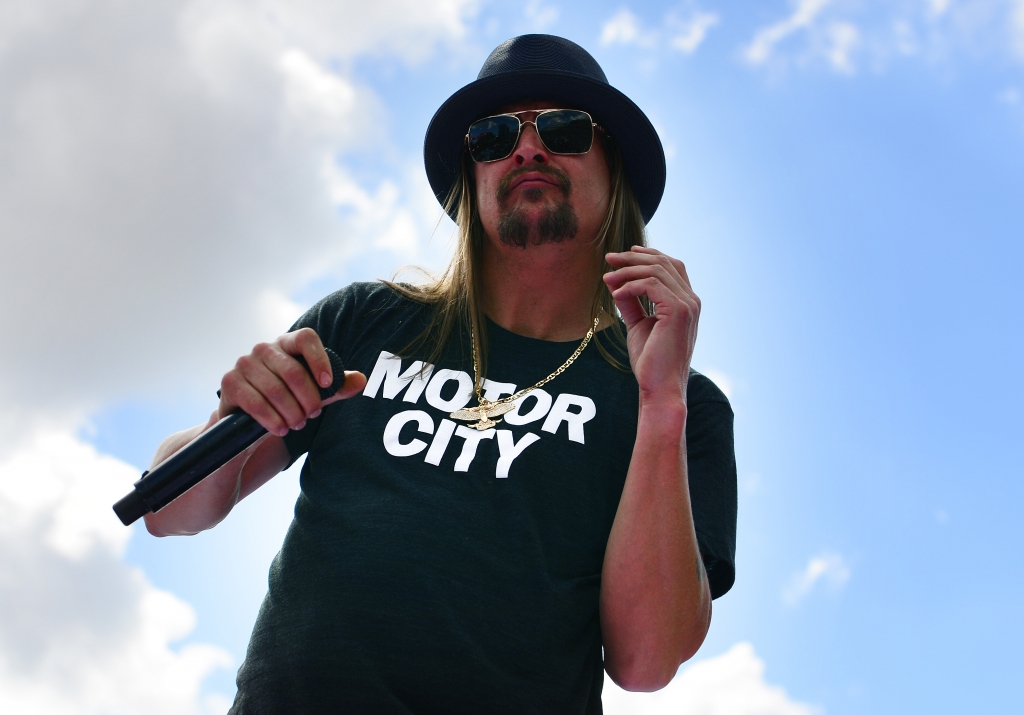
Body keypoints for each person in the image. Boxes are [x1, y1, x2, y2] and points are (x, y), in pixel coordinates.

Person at [145, 34, 736, 714]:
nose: (527, 148)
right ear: (473, 175)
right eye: (492, 136)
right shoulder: (367, 321)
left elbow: (646, 660)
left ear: (617, 171)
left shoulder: (680, 401)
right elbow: (166, 509)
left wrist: (660, 403)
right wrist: (234, 416)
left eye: (565, 129)